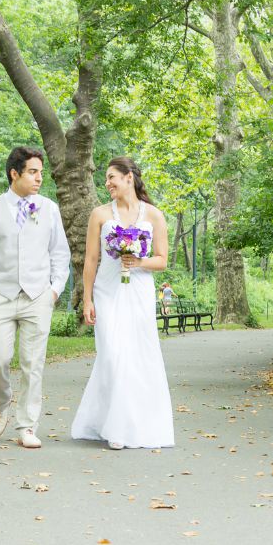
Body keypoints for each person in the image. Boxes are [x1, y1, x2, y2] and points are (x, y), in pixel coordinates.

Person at [70, 156, 174, 450]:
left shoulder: (154, 215)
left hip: (138, 291)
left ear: (129, 177)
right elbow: (91, 259)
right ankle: (114, 426)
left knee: (138, 356)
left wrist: (138, 261)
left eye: (112, 177)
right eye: (106, 178)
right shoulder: (100, 215)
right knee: (113, 354)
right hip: (106, 290)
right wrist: (87, 299)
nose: (108, 183)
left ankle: (134, 425)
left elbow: (162, 260)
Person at [0, 146, 70, 449]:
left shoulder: (49, 208)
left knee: (33, 363)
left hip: (37, 296)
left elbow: (60, 254)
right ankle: (1, 402)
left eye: (40, 172)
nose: (40, 178)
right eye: (33, 172)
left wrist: (53, 291)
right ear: (15, 174)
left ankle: (27, 425)